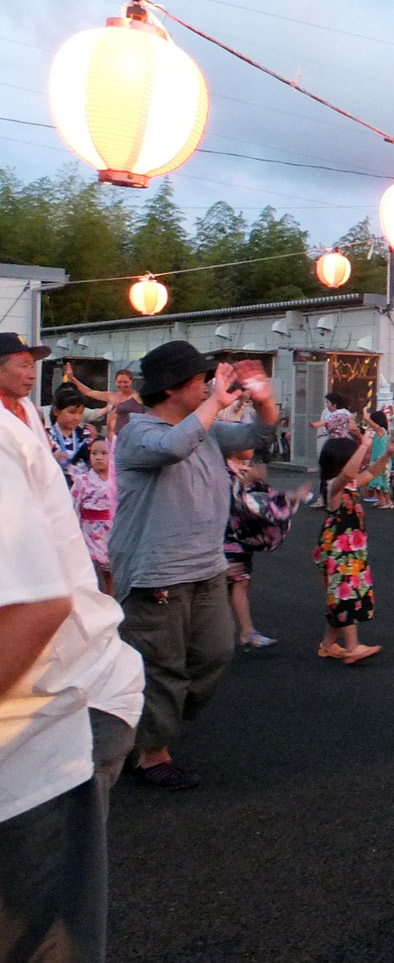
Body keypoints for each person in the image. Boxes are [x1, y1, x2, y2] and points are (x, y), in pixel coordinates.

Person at [0, 332, 145, 963]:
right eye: (19, 360)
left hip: (53, 708)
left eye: (32, 360)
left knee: (39, 936)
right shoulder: (20, 423)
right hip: (51, 689)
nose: (28, 367)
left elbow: (36, 606)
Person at [111, 342, 278, 789]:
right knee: (162, 666)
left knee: (215, 655)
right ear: (173, 388)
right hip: (156, 573)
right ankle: (152, 753)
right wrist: (214, 403)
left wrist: (262, 398)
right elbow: (172, 447)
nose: (208, 386)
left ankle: (140, 733)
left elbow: (259, 436)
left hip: (207, 567)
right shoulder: (136, 431)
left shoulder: (206, 429)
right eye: (200, 381)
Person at [314, 428, 394, 663]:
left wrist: (387, 456)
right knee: (346, 595)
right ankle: (352, 647)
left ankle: (328, 645)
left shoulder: (350, 485)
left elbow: (372, 472)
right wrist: (362, 445)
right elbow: (351, 471)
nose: (359, 462)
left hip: (352, 552)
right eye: (353, 458)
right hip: (339, 554)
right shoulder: (335, 487)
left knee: (342, 598)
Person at [224, 450, 312, 650]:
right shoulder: (224, 470)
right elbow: (243, 502)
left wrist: (291, 496)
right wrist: (247, 481)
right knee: (237, 581)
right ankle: (240, 632)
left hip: (238, 536)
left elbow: (266, 497)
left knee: (238, 582)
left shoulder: (242, 469)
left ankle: (244, 631)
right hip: (224, 535)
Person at [73, 437, 117, 595]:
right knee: (94, 573)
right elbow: (73, 508)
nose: (98, 457)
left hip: (112, 530)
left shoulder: (118, 480)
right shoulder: (82, 481)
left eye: (104, 453)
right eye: (94, 453)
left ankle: (114, 602)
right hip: (89, 532)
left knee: (113, 574)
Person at [64, 363, 145, 437]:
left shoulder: (136, 396)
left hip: (130, 436)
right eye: (119, 382)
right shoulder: (111, 396)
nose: (122, 385)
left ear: (131, 382)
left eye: (125, 382)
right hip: (112, 436)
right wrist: (72, 378)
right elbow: (89, 392)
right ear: (115, 382)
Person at [48, 386, 92, 474]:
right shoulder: (46, 435)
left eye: (80, 413)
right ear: (56, 411)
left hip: (80, 484)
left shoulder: (85, 435)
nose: (76, 418)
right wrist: (51, 456)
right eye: (72, 412)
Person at [367, 409, 394, 508]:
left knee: (383, 481)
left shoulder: (381, 430)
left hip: (382, 460)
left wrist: (365, 412)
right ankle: (381, 499)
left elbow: (368, 420)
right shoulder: (378, 432)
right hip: (376, 459)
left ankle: (388, 502)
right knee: (376, 480)